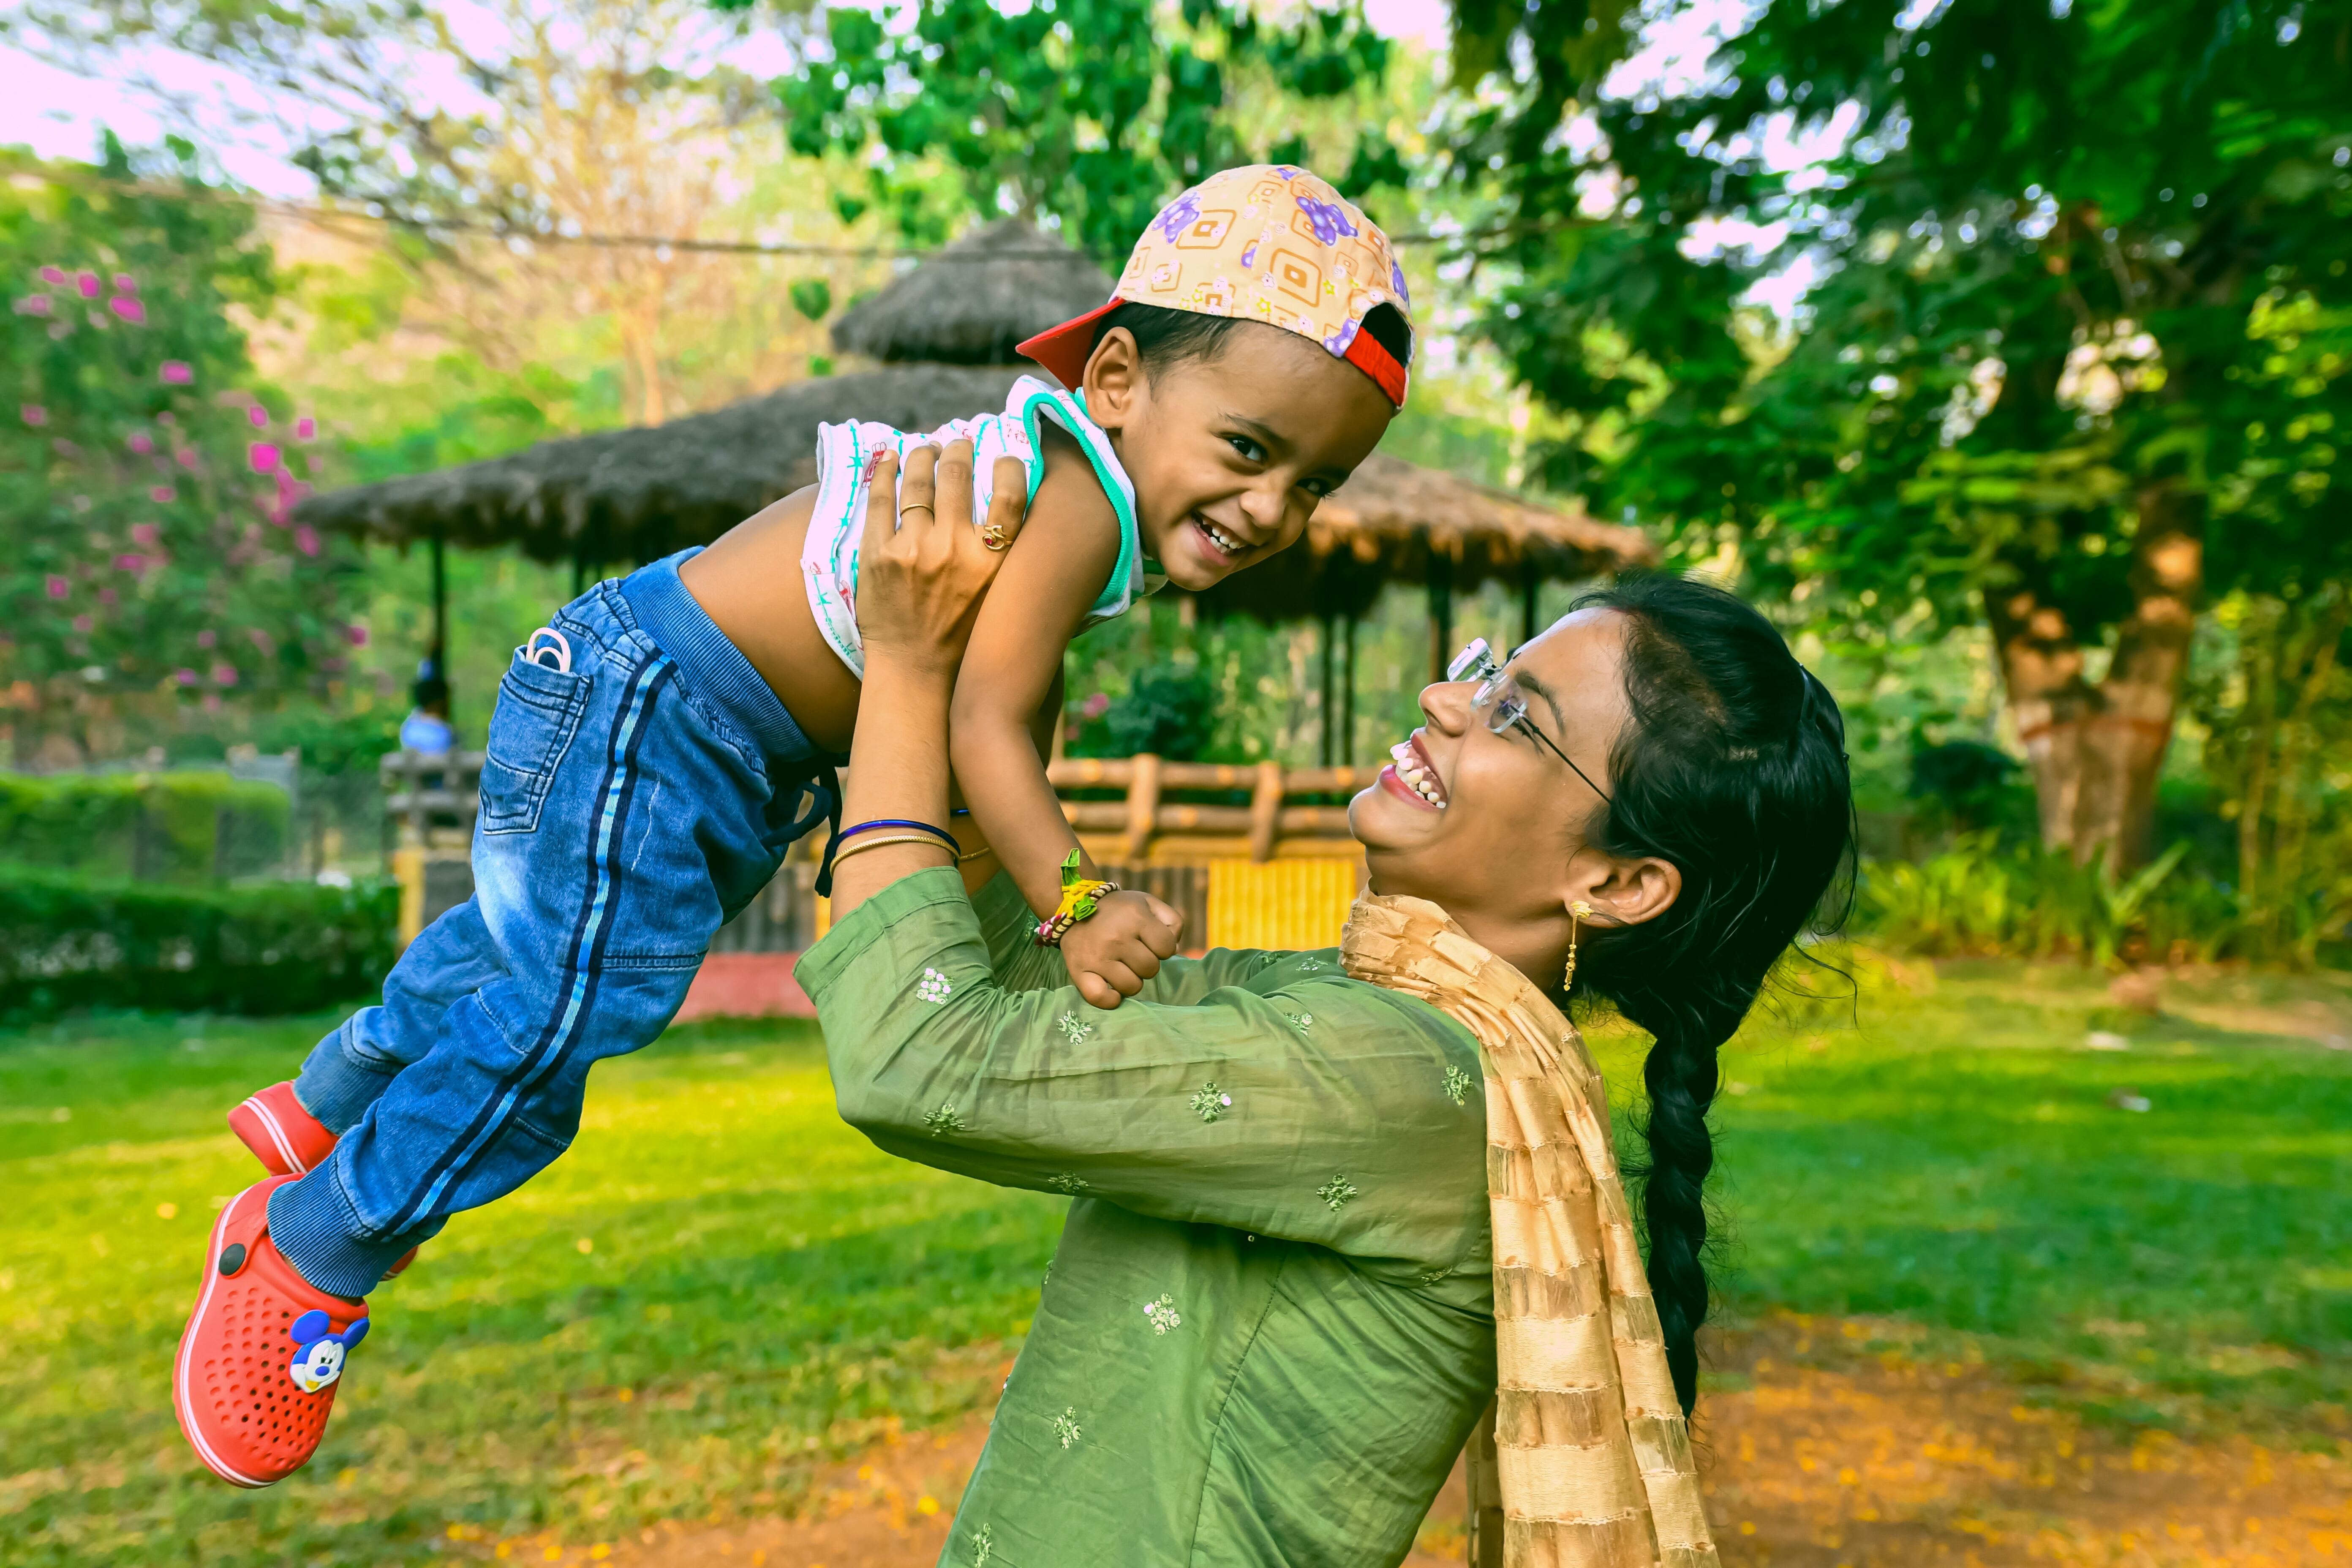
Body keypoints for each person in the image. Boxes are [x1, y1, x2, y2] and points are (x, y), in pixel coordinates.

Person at [174, 165, 1413, 1489]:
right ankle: (313, 1243)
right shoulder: (1076, 496)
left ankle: (335, 1100)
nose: (1277, 507)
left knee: (521, 961)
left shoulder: (1065, 482)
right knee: (564, 1019)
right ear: (1118, 380)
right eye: (1249, 450)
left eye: (1318, 484)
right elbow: (989, 723)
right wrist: (1081, 898)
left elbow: (1006, 705)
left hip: (670, 707)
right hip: (666, 708)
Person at [803, 451, 1856, 1565]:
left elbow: (916, 1056)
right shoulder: (1358, 1009)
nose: (1446, 700)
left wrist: (909, 670)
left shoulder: (1404, 1074)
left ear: (1619, 884)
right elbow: (1009, 988)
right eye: (1485, 670)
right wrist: (987, 680)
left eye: (1516, 717)